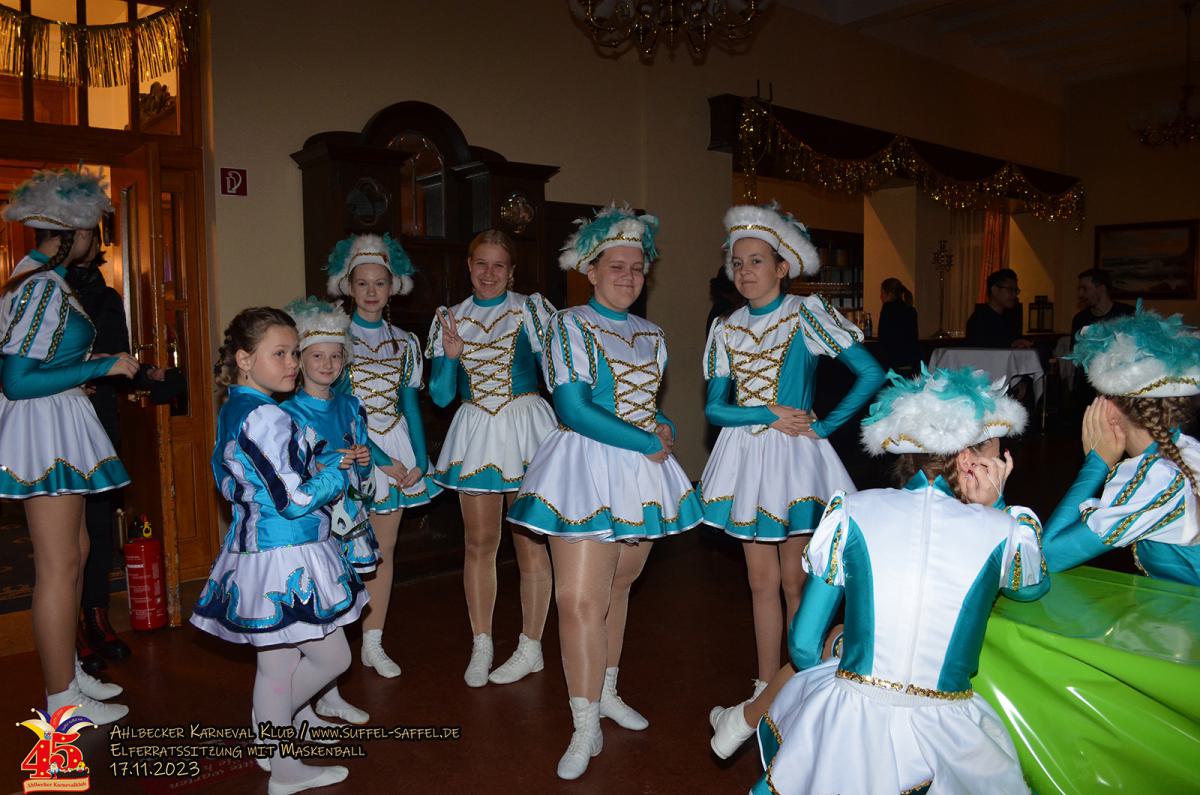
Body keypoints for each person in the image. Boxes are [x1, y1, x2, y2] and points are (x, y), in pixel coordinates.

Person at [710, 366, 1045, 794]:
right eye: (997, 454)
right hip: (948, 734)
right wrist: (997, 507)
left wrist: (860, 667)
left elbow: (803, 646)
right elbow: (1032, 588)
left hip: (852, 724)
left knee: (832, 653)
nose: (1001, 462)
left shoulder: (853, 510)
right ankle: (740, 720)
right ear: (967, 459)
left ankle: (742, 719)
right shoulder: (1005, 530)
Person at [507, 205, 703, 780]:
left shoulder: (653, 334)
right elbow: (573, 407)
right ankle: (583, 723)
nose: (628, 276)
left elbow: (644, 405)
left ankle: (607, 691)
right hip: (585, 470)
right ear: (589, 270)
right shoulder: (569, 325)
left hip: (640, 474)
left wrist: (662, 424)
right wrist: (646, 439)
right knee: (579, 601)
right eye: (616, 266)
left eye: (637, 267)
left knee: (618, 589)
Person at [699, 203, 884, 698]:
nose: (745, 271)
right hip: (744, 459)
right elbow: (715, 409)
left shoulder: (804, 314)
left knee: (793, 581)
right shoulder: (725, 327)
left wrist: (826, 427)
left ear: (782, 267)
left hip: (796, 461)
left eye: (757, 261)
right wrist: (766, 413)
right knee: (758, 583)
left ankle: (799, 681)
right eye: (738, 263)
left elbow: (870, 373)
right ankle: (765, 687)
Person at [191, 307, 366, 795]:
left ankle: (280, 753)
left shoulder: (237, 406)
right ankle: (273, 737)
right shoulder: (266, 414)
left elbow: (256, 477)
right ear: (245, 359)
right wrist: (337, 475)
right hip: (286, 553)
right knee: (332, 658)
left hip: (256, 548)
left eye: (294, 353)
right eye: (281, 354)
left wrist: (321, 461)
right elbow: (294, 499)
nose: (293, 363)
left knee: (277, 664)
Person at [0, 168, 138, 724]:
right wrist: (100, 366)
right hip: (43, 429)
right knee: (58, 565)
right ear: (73, 233)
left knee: (76, 552)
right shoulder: (39, 286)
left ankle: (70, 673)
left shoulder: (41, 279)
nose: (95, 241)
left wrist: (82, 365)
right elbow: (16, 380)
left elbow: (44, 359)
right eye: (91, 231)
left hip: (57, 418)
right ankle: (61, 701)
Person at [425, 230, 557, 688]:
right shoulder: (450, 318)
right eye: (481, 263)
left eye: (499, 264)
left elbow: (559, 374)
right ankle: (482, 643)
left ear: (512, 270)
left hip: (526, 430)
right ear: (469, 265)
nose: (489, 273)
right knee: (479, 543)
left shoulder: (531, 309)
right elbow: (441, 397)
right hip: (476, 433)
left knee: (530, 544)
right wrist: (449, 357)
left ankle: (531, 646)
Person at [66, 232, 184, 674]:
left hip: (99, 422)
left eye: (88, 231)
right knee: (66, 536)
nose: (84, 238)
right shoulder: (44, 287)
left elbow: (116, 360)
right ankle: (70, 631)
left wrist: (148, 374)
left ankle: (96, 618)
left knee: (98, 526)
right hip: (58, 420)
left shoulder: (108, 297)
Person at [326, 233, 442, 679]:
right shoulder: (336, 336)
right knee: (341, 548)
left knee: (383, 550)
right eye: (363, 283)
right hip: (350, 450)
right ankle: (333, 642)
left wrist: (419, 460)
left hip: (396, 448)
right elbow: (337, 407)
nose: (371, 291)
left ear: (394, 287)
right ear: (348, 287)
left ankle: (373, 642)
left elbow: (411, 404)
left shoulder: (405, 342)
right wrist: (376, 457)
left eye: (380, 283)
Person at [281, 297, 398, 725]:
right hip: (313, 524)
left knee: (341, 605)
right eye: (317, 356)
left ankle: (328, 693)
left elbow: (362, 476)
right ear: (300, 360)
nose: (327, 364)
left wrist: (364, 461)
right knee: (312, 610)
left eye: (335, 356)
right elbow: (287, 476)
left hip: (348, 518)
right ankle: (299, 700)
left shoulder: (350, 406)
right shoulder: (287, 412)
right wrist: (328, 464)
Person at [1042, 304, 1200, 585]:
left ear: (1112, 407)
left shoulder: (1159, 478)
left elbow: (1047, 557)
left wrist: (1096, 464)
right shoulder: (1186, 449)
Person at [966, 268, 1033, 349]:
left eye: (1016, 290)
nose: (1014, 295)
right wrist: (1011, 345)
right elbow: (980, 351)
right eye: (1010, 289)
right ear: (994, 290)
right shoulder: (979, 320)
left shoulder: (1010, 318)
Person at [1071, 268, 1135, 338]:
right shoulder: (1080, 319)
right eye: (1079, 289)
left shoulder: (1128, 314)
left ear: (1101, 288)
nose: (1080, 294)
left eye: (1084, 288)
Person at [877, 277, 919, 376]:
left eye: (882, 293)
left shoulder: (888, 308)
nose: (881, 296)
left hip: (893, 361)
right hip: (911, 360)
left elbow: (883, 336)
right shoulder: (911, 309)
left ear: (889, 294)